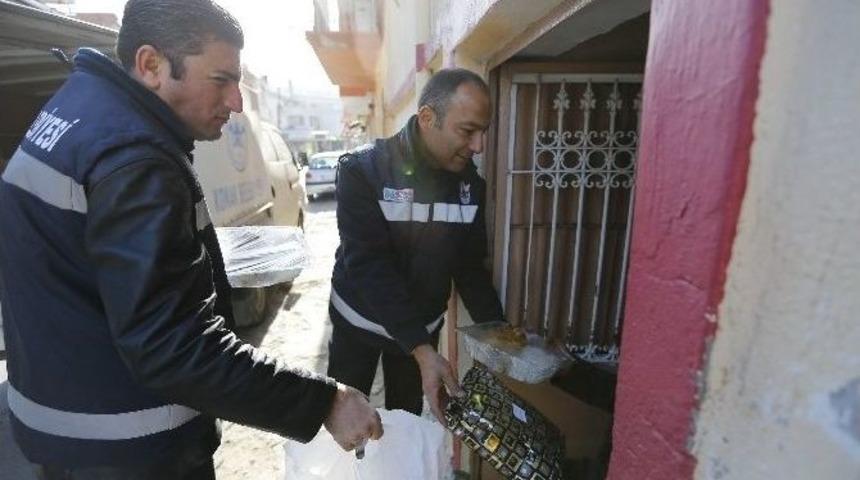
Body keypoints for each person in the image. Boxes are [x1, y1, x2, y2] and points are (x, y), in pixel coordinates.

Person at [0, 1, 381, 478]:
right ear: (151, 65)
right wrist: (327, 401)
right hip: (128, 449)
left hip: (62, 429)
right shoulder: (136, 159)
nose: (237, 102)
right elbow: (172, 346)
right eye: (221, 80)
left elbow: (88, 261)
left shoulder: (78, 110)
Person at [328, 68, 506, 423]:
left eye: (483, 132)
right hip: (358, 323)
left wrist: (499, 332)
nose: (478, 146)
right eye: (468, 131)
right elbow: (369, 265)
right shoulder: (362, 171)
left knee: (404, 423)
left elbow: (469, 266)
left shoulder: (471, 185)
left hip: (420, 332)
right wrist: (422, 349)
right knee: (345, 426)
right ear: (427, 118)